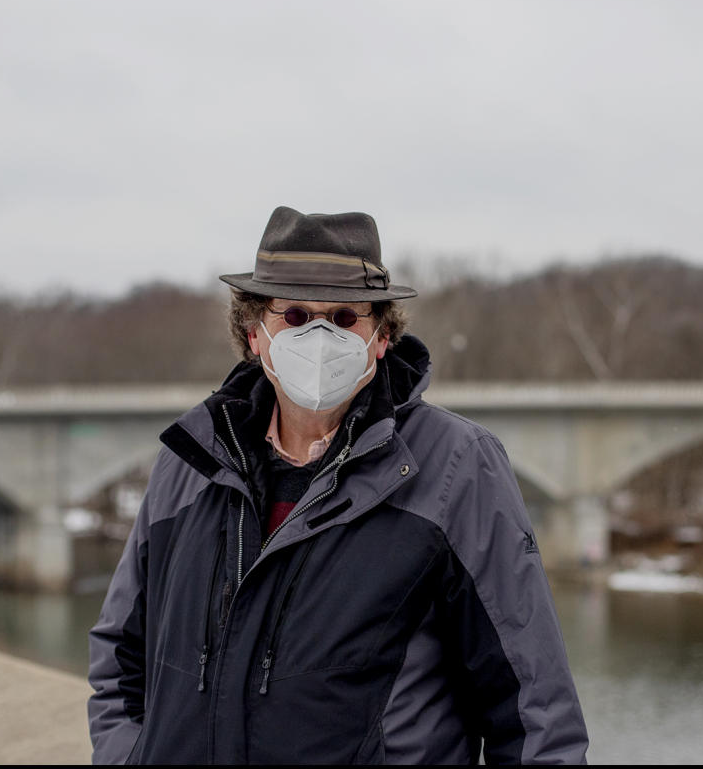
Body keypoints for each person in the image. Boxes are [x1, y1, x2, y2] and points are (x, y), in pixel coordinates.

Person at [87, 206, 589, 764]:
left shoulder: (456, 467)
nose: (321, 339)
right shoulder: (191, 461)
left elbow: (533, 707)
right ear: (255, 334)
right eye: (296, 316)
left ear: (380, 337)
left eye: (345, 318)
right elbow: (120, 658)